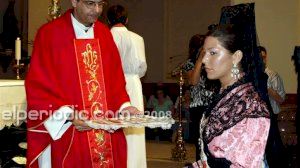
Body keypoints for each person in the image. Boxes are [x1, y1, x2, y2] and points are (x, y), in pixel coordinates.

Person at [25, 0, 140, 167]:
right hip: (70, 129)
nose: (97, 10)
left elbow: (115, 79)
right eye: (90, 3)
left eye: (101, 4)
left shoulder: (104, 34)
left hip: (103, 130)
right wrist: (68, 115)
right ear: (74, 2)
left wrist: (124, 106)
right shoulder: (50, 34)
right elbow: (38, 86)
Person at [193, 3, 271, 167]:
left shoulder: (251, 106)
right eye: (204, 53)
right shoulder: (223, 94)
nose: (205, 60)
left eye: (213, 53)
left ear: (236, 57)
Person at [107, 5, 147, 168]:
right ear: (127, 19)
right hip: (134, 83)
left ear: (108, 19)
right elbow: (142, 68)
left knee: (115, 125)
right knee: (135, 128)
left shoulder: (105, 36)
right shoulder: (137, 38)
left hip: (112, 84)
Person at [181, 34, 216, 160]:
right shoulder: (189, 64)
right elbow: (193, 81)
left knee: (212, 139)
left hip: (212, 103)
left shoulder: (211, 61)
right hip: (198, 106)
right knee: (200, 140)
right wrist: (200, 60)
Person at [258, 46, 286, 117]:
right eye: (259, 58)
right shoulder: (249, 76)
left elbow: (281, 99)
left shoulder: (273, 75)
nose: (261, 60)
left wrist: (265, 85)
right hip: (256, 117)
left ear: (266, 58)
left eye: (263, 57)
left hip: (271, 115)